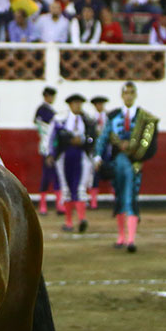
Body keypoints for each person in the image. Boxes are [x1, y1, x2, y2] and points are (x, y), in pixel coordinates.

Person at [94, 82, 159, 252]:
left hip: (135, 164)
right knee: (120, 197)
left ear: (135, 94)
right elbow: (103, 138)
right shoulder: (113, 116)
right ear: (122, 95)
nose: (129, 96)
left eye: (131, 93)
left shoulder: (143, 117)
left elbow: (150, 144)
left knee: (130, 196)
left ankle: (130, 239)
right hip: (117, 163)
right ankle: (122, 237)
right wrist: (97, 156)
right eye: (126, 93)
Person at [49, 94, 95, 233]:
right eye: (75, 103)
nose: (77, 106)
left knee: (80, 187)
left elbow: (93, 138)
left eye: (79, 103)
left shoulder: (87, 120)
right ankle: (69, 222)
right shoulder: (60, 119)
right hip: (64, 155)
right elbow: (52, 138)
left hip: (82, 155)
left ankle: (81, 219)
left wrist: (84, 141)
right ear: (70, 105)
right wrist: (51, 154)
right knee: (66, 188)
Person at [34, 86, 64, 216]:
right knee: (48, 176)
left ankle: (51, 204)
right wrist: (48, 151)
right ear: (46, 96)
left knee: (54, 175)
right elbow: (46, 132)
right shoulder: (44, 111)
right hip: (48, 148)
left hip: (51, 147)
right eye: (50, 96)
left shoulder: (46, 110)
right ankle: (45, 205)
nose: (51, 98)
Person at [88, 96, 110, 209]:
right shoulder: (92, 120)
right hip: (95, 150)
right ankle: (93, 201)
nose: (99, 106)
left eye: (100, 104)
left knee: (112, 172)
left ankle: (117, 199)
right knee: (94, 174)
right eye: (97, 104)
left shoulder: (109, 118)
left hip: (108, 148)